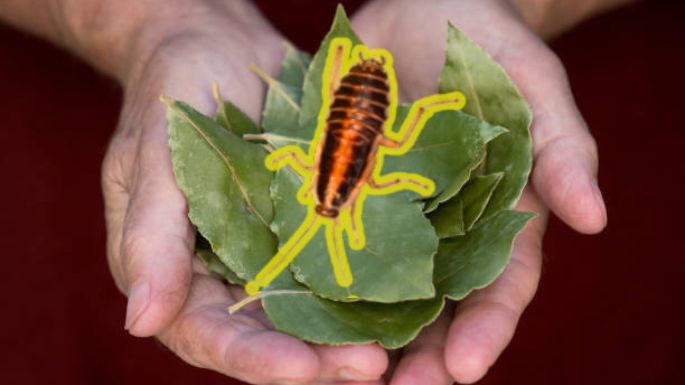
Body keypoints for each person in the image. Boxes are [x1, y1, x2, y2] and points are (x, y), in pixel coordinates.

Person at [0, 0, 628, 383]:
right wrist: (155, 22)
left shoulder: (320, 162)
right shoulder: (335, 169)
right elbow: (378, 166)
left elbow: (374, 158)